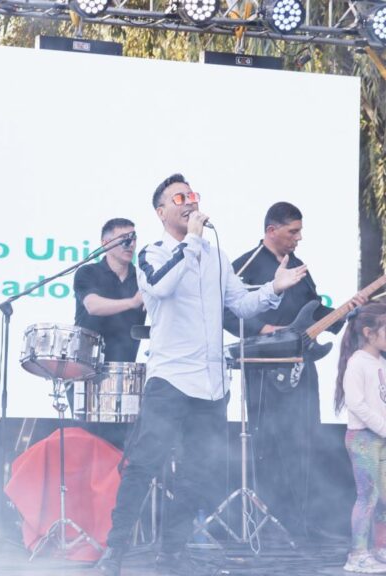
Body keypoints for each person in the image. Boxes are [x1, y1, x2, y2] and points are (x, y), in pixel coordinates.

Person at [96, 173, 308, 576]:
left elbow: (239, 305)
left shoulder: (215, 255)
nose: (190, 202)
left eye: (192, 195)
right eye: (179, 198)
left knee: (198, 473)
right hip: (170, 379)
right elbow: (161, 288)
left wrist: (273, 289)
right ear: (161, 212)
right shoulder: (152, 254)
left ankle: (171, 554)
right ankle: (115, 553)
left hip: (211, 385)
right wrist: (192, 241)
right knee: (143, 466)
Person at [223, 202, 368, 539]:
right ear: (271, 230)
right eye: (293, 231)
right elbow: (226, 312)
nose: (298, 238)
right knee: (272, 443)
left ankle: (302, 521)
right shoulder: (245, 265)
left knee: (305, 440)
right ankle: (273, 522)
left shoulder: (299, 266)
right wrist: (263, 329)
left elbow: (313, 311)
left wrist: (345, 312)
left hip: (301, 365)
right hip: (265, 368)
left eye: (299, 231)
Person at [334, 303, 386, 573]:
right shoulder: (357, 363)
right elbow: (357, 405)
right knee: (368, 496)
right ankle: (357, 555)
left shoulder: (380, 362)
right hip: (364, 439)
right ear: (368, 332)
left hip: (380, 437)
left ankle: (380, 547)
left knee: (383, 496)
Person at [73, 217, 146, 363]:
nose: (130, 244)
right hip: (85, 368)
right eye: (124, 239)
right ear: (105, 243)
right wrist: (133, 302)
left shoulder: (143, 279)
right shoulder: (87, 272)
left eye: (133, 238)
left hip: (125, 369)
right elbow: (93, 306)